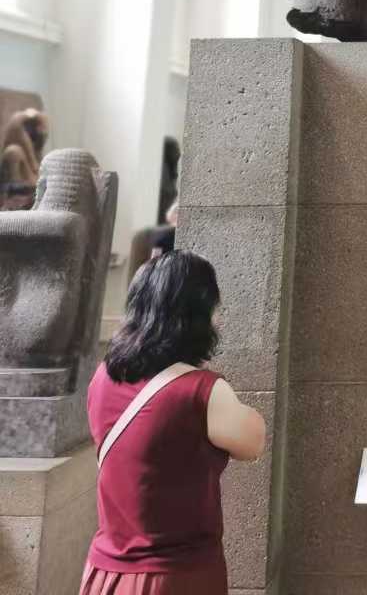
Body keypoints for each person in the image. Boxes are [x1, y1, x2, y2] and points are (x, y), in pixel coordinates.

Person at [81, 250, 266, 595]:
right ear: (197, 314)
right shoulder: (201, 391)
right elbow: (253, 442)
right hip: (175, 577)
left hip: (105, 574)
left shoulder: (102, 378)